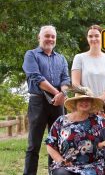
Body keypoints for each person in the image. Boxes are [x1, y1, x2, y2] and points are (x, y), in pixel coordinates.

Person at [22, 25, 70, 175]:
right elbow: (36, 78)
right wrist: (58, 92)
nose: (50, 39)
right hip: (38, 103)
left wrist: (63, 93)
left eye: (53, 36)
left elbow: (66, 79)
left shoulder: (61, 58)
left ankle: (54, 173)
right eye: (47, 36)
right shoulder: (31, 55)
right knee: (33, 145)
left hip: (58, 104)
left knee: (57, 144)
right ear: (39, 37)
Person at [45, 87, 105, 175]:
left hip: (94, 166)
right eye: (81, 100)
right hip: (67, 166)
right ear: (75, 102)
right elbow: (50, 144)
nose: (84, 102)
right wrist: (60, 160)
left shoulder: (100, 121)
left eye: (88, 100)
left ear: (91, 103)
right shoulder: (61, 121)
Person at [71, 25, 105, 102]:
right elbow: (75, 84)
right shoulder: (79, 58)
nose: (93, 39)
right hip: (86, 103)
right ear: (87, 38)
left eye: (96, 36)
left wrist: (100, 100)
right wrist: (90, 99)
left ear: (102, 37)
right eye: (90, 36)